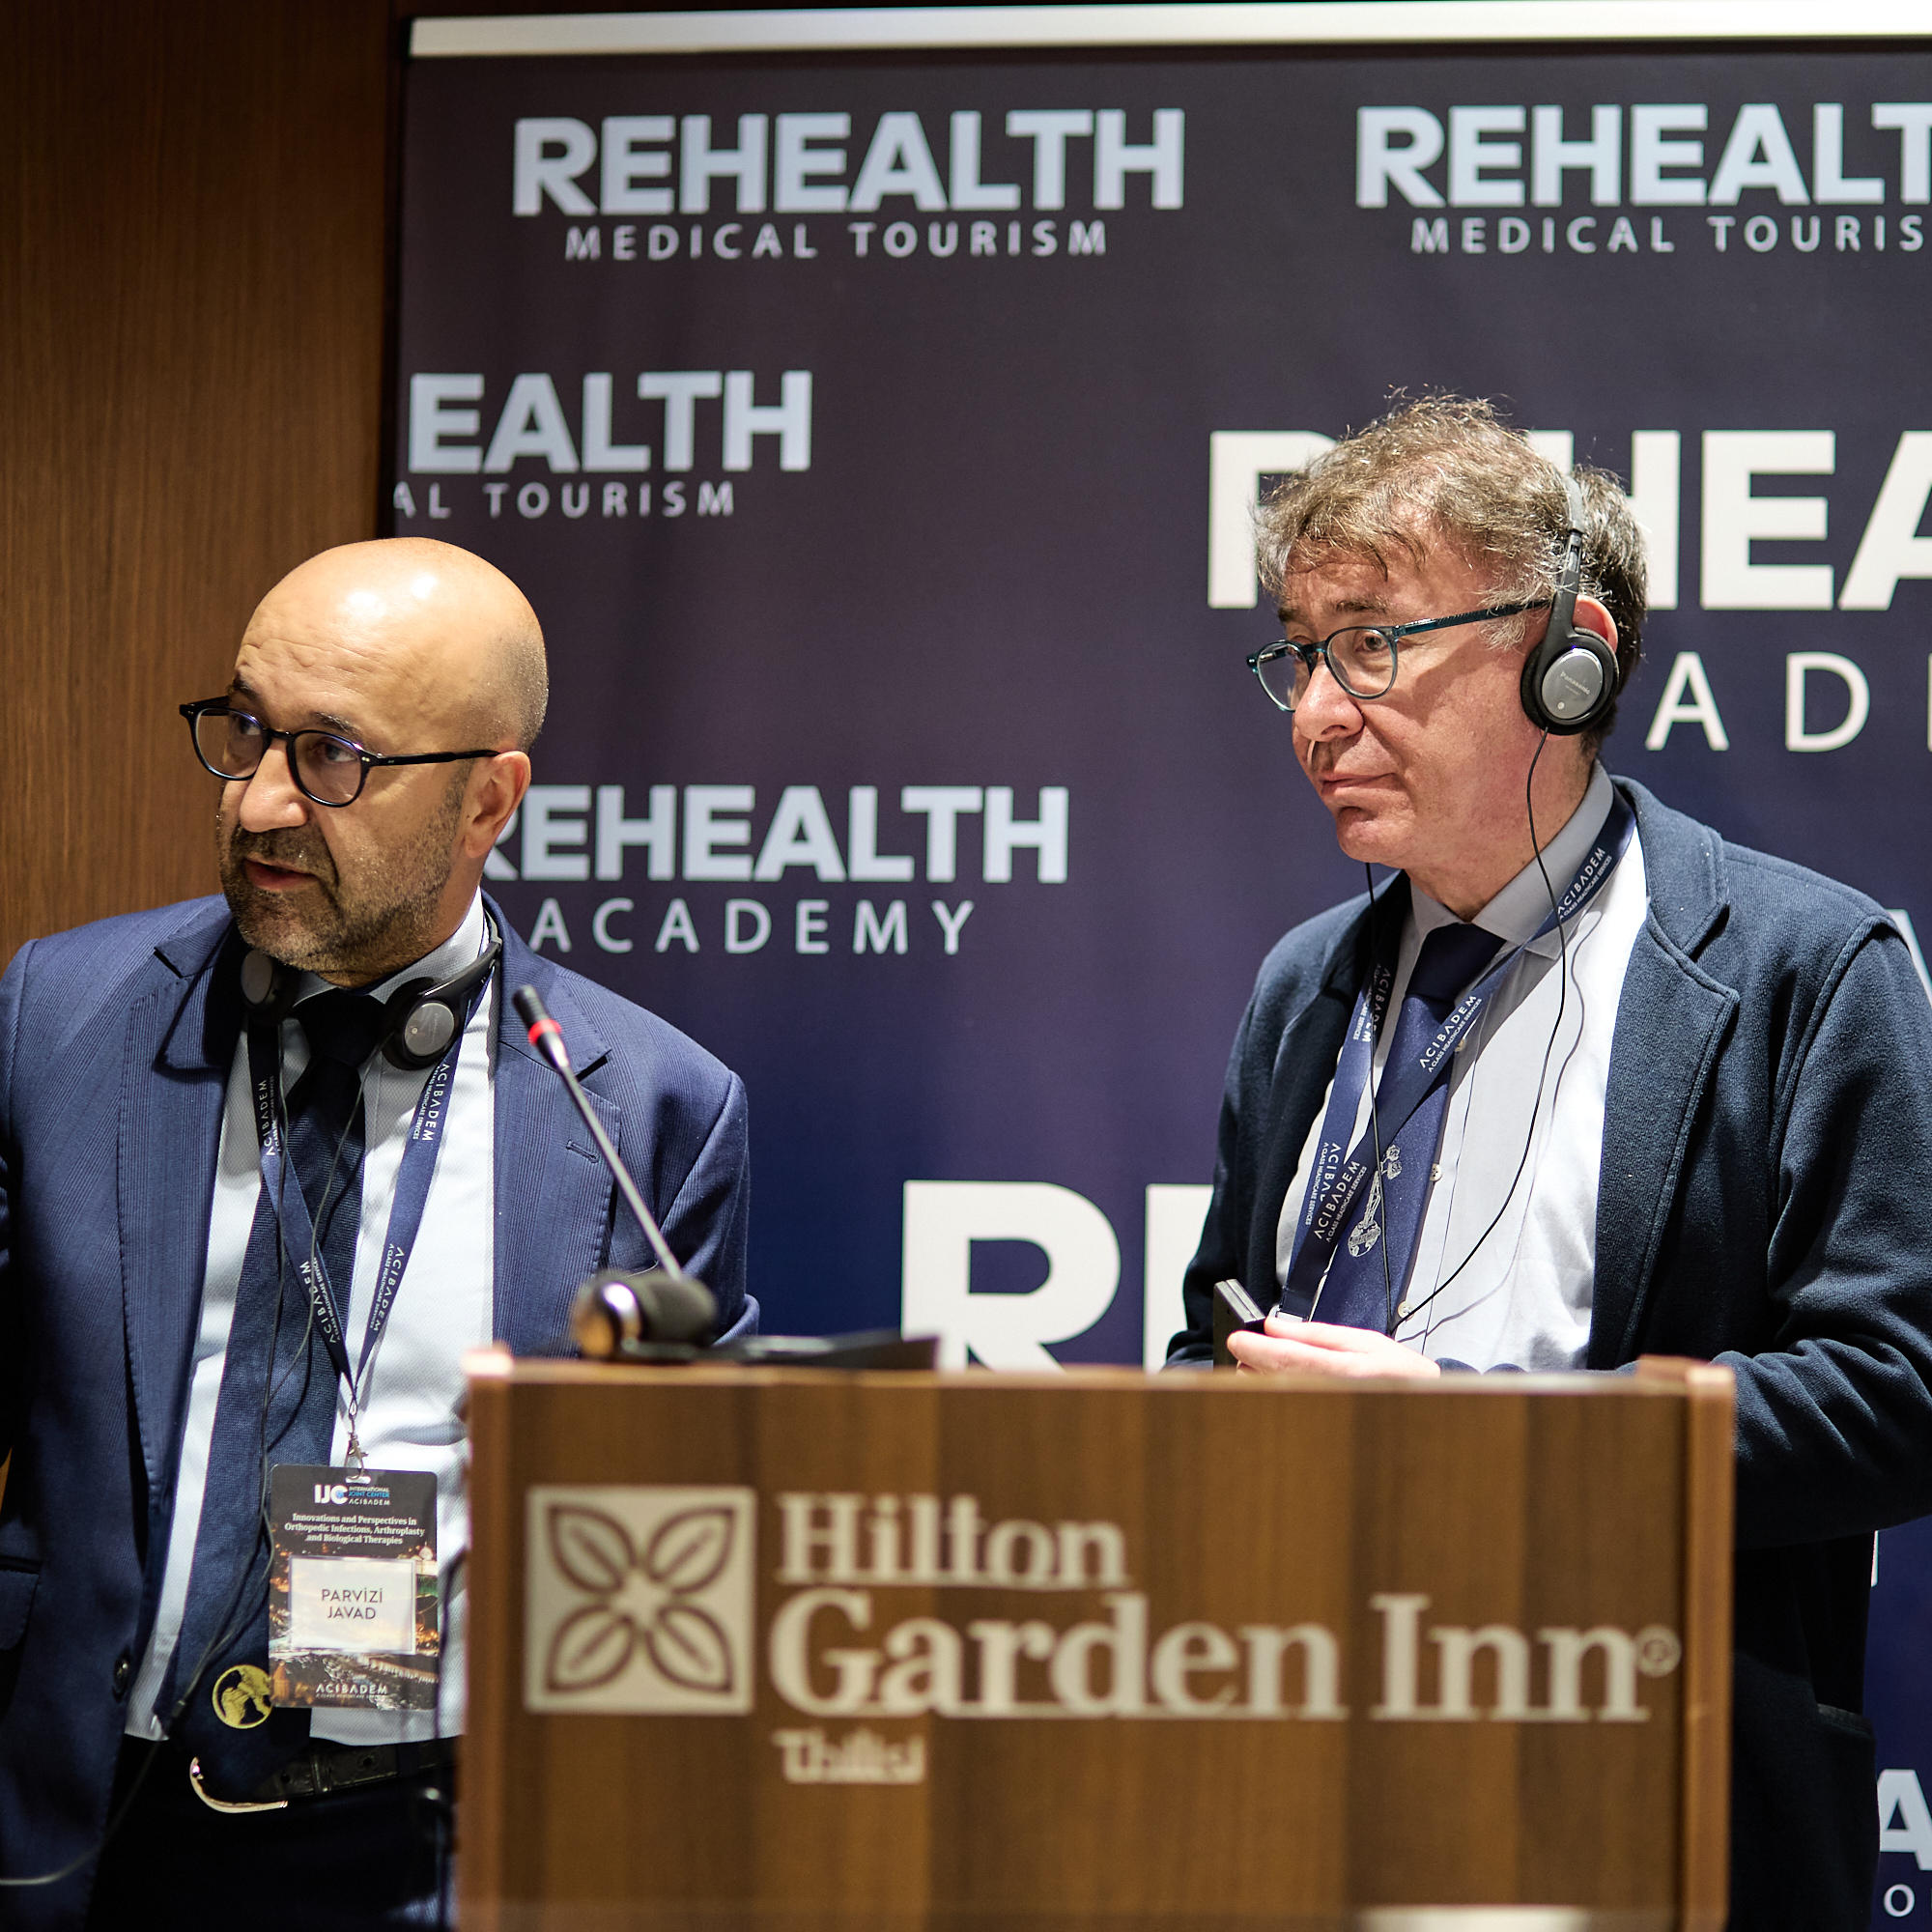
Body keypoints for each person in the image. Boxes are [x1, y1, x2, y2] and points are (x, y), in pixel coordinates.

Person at [1167, 396, 1932, 1928]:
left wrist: (1486, 1439)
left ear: (1564, 658)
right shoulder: (1303, 985)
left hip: (1646, 1785)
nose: (1316, 713)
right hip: (1299, 1766)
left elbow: (1895, 1394)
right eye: (1300, 653)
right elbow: (1215, 1333)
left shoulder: (1805, 966)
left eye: (1371, 643)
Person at [0, 537, 755, 1927]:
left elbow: (675, 1548)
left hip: (424, 1853)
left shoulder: (648, 1112)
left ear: (488, 800)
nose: (261, 802)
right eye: (246, 731)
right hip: (78, 1832)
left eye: (334, 757)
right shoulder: (61, 1018)